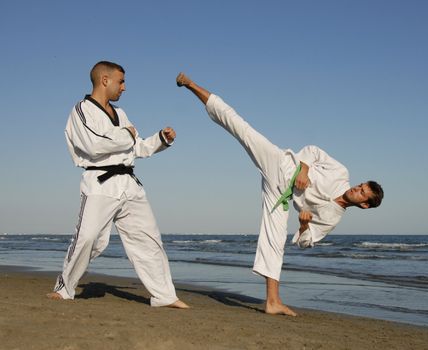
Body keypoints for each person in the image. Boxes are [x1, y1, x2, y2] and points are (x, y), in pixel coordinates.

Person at [176, 72, 383, 316]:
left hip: (281, 197)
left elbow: (307, 242)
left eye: (361, 193)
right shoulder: (341, 172)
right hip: (283, 165)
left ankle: (272, 301)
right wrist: (304, 169)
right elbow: (313, 151)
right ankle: (191, 85)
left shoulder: (333, 218)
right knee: (240, 127)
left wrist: (304, 226)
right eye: (359, 185)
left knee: (276, 243)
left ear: (365, 205)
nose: (355, 189)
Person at [47, 61, 189, 309]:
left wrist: (160, 140)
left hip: (129, 184)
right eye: (120, 81)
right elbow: (94, 144)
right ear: (104, 80)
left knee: (148, 240)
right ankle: (65, 288)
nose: (124, 87)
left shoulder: (121, 114)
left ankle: (165, 295)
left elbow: (137, 147)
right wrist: (127, 135)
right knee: (89, 239)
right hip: (100, 183)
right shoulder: (81, 110)